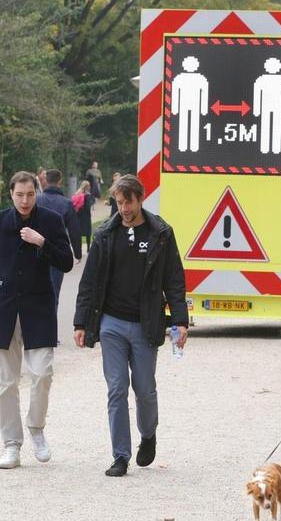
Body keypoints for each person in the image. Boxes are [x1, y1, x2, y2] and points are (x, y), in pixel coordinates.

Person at [73, 174, 188, 477]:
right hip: (111, 323)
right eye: (119, 202)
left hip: (145, 323)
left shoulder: (160, 233)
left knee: (145, 389)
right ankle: (120, 456)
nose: (124, 209)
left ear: (140, 198)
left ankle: (148, 435)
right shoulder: (105, 234)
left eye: (128, 202)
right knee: (116, 388)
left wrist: (180, 321)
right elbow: (90, 281)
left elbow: (174, 279)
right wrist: (81, 322)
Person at [0, 171, 73, 469]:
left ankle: (36, 427)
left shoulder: (50, 220)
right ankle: (11, 444)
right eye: (19, 195)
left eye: (30, 194)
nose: (25, 200)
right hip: (5, 307)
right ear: (11, 194)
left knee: (43, 373)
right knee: (7, 382)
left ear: (37, 193)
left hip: (39, 308)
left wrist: (42, 242)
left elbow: (66, 261)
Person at [36, 168, 83, 310]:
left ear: (46, 180)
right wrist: (77, 253)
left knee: (35, 293)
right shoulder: (66, 203)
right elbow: (74, 230)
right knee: (53, 295)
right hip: (57, 253)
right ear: (60, 181)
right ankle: (50, 322)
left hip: (36, 252)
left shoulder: (36, 200)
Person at [73, 180, 94, 252]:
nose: (90, 187)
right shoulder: (87, 195)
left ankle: (79, 248)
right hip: (86, 217)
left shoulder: (77, 193)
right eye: (89, 186)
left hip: (78, 216)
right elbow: (87, 207)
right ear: (87, 187)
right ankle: (88, 248)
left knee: (79, 233)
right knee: (88, 233)